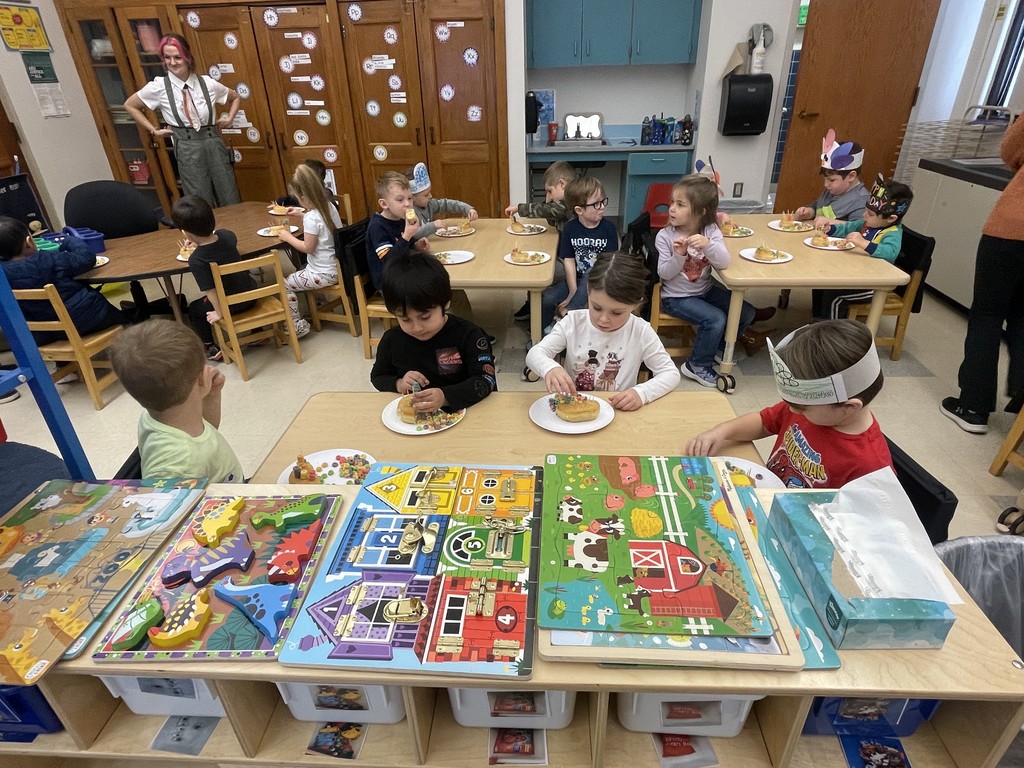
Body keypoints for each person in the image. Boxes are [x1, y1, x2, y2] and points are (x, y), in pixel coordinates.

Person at [685, 320, 892, 489]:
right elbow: (765, 422)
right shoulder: (815, 408)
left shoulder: (871, 467)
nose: (793, 410)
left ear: (849, 406)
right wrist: (721, 431)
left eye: (802, 408)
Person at [942, 113, 1024, 434]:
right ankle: (1021, 402)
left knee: (987, 317)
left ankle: (973, 407)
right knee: (1023, 316)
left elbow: (1010, 152)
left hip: (1012, 229)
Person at [525, 251, 680, 409]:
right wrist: (550, 368)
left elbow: (670, 373)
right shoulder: (573, 322)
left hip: (617, 410)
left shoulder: (640, 331)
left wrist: (642, 393)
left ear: (635, 304)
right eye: (597, 307)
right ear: (588, 291)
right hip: (573, 406)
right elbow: (535, 353)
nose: (603, 319)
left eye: (616, 312)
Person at [1, 216, 131, 402]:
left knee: (47, 314)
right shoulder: (49, 259)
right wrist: (68, 240)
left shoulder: (2, 274)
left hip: (43, 336)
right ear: (30, 241)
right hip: (88, 321)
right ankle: (130, 355)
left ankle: (64, 366)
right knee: (118, 316)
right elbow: (86, 258)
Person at [109, 319, 244, 482]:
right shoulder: (178, 464)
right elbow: (168, 501)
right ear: (201, 380)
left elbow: (207, 430)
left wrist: (211, 395)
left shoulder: (157, 415)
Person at [655, 175, 756, 387]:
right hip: (677, 297)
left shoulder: (710, 230)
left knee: (746, 312)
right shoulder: (665, 236)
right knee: (716, 319)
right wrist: (680, 255)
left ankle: (717, 346)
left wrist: (708, 245)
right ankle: (697, 365)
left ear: (701, 211)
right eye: (672, 202)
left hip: (704, 290)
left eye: (680, 204)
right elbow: (664, 273)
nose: (671, 208)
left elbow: (723, 261)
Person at [370, 251, 496, 414]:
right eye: (405, 319)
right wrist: (399, 383)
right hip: (417, 421)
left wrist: (445, 397)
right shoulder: (392, 340)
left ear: (446, 303)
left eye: (425, 317)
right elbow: (378, 377)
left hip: (466, 413)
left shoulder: (469, 335)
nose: (417, 328)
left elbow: (485, 380)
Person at [124, 33, 241, 208]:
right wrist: (154, 130)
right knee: (199, 199)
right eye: (167, 58)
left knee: (229, 194)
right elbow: (130, 105)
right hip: (186, 145)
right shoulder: (158, 87)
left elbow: (235, 96)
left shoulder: (208, 83)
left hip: (213, 141)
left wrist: (229, 118)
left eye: (177, 57)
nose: (173, 62)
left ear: (187, 57)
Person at [811, 175, 913, 320]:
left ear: (891, 219)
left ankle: (831, 333)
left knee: (834, 295)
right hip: (856, 275)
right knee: (821, 283)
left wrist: (865, 243)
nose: (864, 215)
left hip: (873, 286)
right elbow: (847, 227)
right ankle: (817, 321)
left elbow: (890, 252)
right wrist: (830, 229)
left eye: (870, 214)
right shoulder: (868, 223)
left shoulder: (892, 233)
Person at [173, 195, 255, 361]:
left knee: (195, 309)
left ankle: (210, 347)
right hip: (252, 294)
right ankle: (258, 332)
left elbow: (210, 290)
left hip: (230, 305)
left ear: (186, 233)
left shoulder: (196, 260)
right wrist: (198, 240)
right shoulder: (228, 236)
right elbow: (218, 236)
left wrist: (219, 313)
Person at [540, 176, 619, 331]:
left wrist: (573, 298)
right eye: (596, 204)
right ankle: (541, 333)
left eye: (603, 201)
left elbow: (609, 264)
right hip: (576, 280)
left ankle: (564, 318)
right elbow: (568, 261)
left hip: (601, 281)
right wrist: (573, 291)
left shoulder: (609, 228)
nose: (602, 207)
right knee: (548, 298)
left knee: (593, 270)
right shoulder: (570, 229)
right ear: (579, 210)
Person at [279, 163, 345, 337]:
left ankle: (296, 326)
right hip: (337, 267)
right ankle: (320, 306)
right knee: (301, 271)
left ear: (303, 196)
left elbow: (308, 248)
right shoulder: (328, 206)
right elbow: (321, 223)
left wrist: (288, 237)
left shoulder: (311, 218)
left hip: (323, 273)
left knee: (284, 283)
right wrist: (302, 213)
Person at [505, 160, 576, 321]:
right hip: (563, 256)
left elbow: (548, 210)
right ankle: (532, 304)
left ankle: (537, 311)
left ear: (562, 184)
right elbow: (551, 217)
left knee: (535, 267)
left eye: (550, 191)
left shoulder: (570, 203)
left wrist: (519, 208)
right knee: (534, 261)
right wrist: (550, 198)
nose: (549, 196)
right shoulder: (562, 203)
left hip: (570, 265)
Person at [366, 171, 428, 293]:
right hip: (390, 283)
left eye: (410, 198)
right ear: (384, 204)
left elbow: (405, 246)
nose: (407, 204)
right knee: (433, 287)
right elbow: (389, 261)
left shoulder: (399, 218)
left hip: (404, 272)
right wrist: (406, 236)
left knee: (443, 284)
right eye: (400, 200)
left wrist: (416, 244)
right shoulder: (377, 227)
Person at [792, 129, 869, 222]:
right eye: (825, 179)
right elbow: (818, 206)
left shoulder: (861, 201)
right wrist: (809, 212)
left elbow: (857, 228)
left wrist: (829, 223)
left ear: (851, 176)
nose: (826, 184)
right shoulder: (833, 190)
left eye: (831, 180)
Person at [405, 162, 478, 239]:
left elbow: (446, 204)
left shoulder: (429, 204)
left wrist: (467, 209)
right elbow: (412, 235)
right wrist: (432, 226)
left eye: (430, 192)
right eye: (426, 195)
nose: (431, 196)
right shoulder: (409, 213)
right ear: (411, 197)